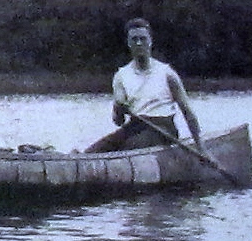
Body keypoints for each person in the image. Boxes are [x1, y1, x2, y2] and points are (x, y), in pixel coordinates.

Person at [84, 18, 207, 154]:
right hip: (135, 126)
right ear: (128, 43)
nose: (139, 43)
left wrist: (201, 148)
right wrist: (118, 107)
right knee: (93, 151)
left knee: (129, 148)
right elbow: (119, 121)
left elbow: (188, 112)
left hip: (163, 128)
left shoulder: (167, 73)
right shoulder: (121, 75)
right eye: (134, 39)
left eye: (143, 39)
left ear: (150, 41)